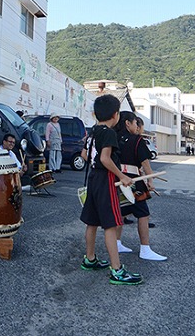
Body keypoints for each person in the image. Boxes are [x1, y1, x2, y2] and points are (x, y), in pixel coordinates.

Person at [79, 94, 142, 285]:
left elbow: (84, 155)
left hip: (93, 179)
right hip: (106, 180)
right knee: (110, 224)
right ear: (116, 115)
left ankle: (89, 259)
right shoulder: (108, 133)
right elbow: (105, 159)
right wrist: (122, 176)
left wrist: (98, 165)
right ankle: (117, 270)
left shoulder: (92, 132)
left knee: (91, 221)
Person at [114, 112, 166, 261]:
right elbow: (145, 162)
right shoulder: (136, 140)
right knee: (143, 214)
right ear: (127, 124)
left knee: (122, 211)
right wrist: (150, 181)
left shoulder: (114, 138)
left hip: (117, 179)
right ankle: (145, 249)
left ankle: (117, 243)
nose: (137, 127)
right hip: (133, 181)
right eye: (135, 123)